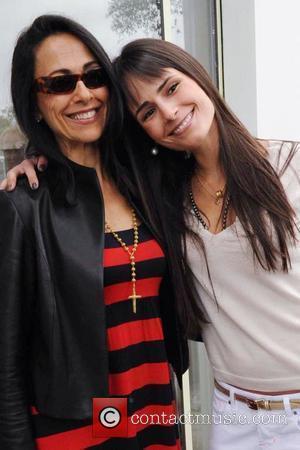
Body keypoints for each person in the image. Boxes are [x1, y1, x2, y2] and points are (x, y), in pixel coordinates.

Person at [7, 37, 300, 450]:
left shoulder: (288, 169)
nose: (169, 113)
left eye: (171, 87)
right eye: (147, 112)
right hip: (226, 414)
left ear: (197, 76)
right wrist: (38, 156)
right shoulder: (166, 194)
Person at [0, 17, 192, 450]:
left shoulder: (148, 183)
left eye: (93, 76)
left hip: (155, 410)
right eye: (60, 83)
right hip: (76, 430)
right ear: (34, 103)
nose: (84, 94)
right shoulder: (22, 206)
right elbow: (6, 369)